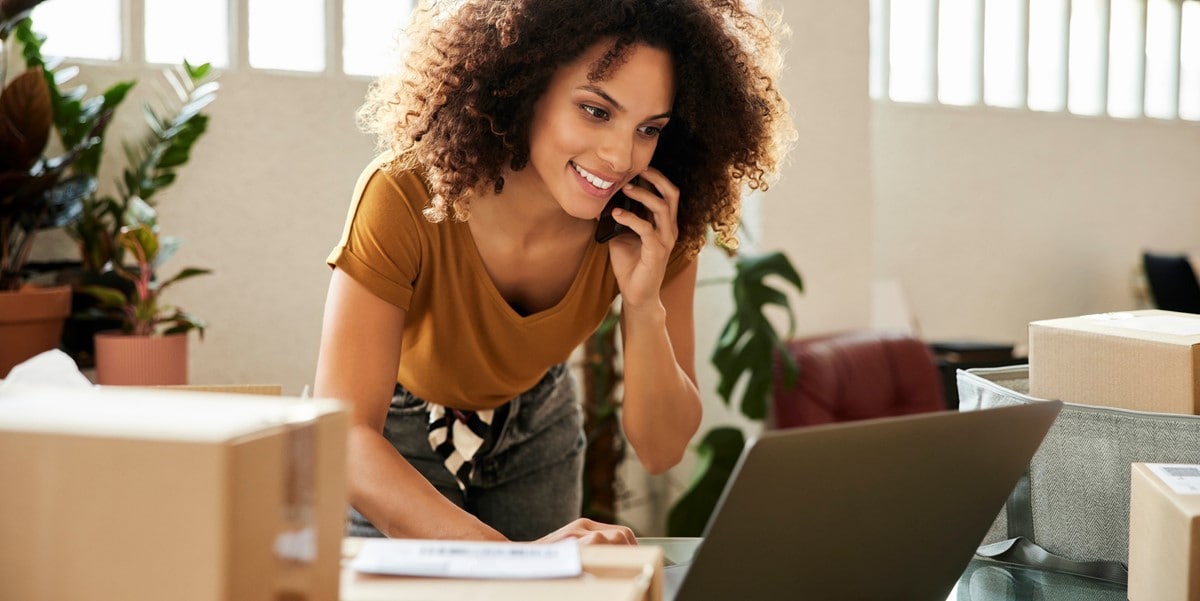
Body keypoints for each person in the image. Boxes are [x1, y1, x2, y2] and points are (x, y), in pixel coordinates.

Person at [315, 0, 794, 544]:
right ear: (526, 85)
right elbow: (347, 435)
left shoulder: (650, 226)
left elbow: (661, 450)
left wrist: (642, 302)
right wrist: (514, 561)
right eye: (596, 110)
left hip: (538, 424)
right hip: (392, 438)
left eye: (649, 128)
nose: (620, 156)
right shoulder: (406, 194)